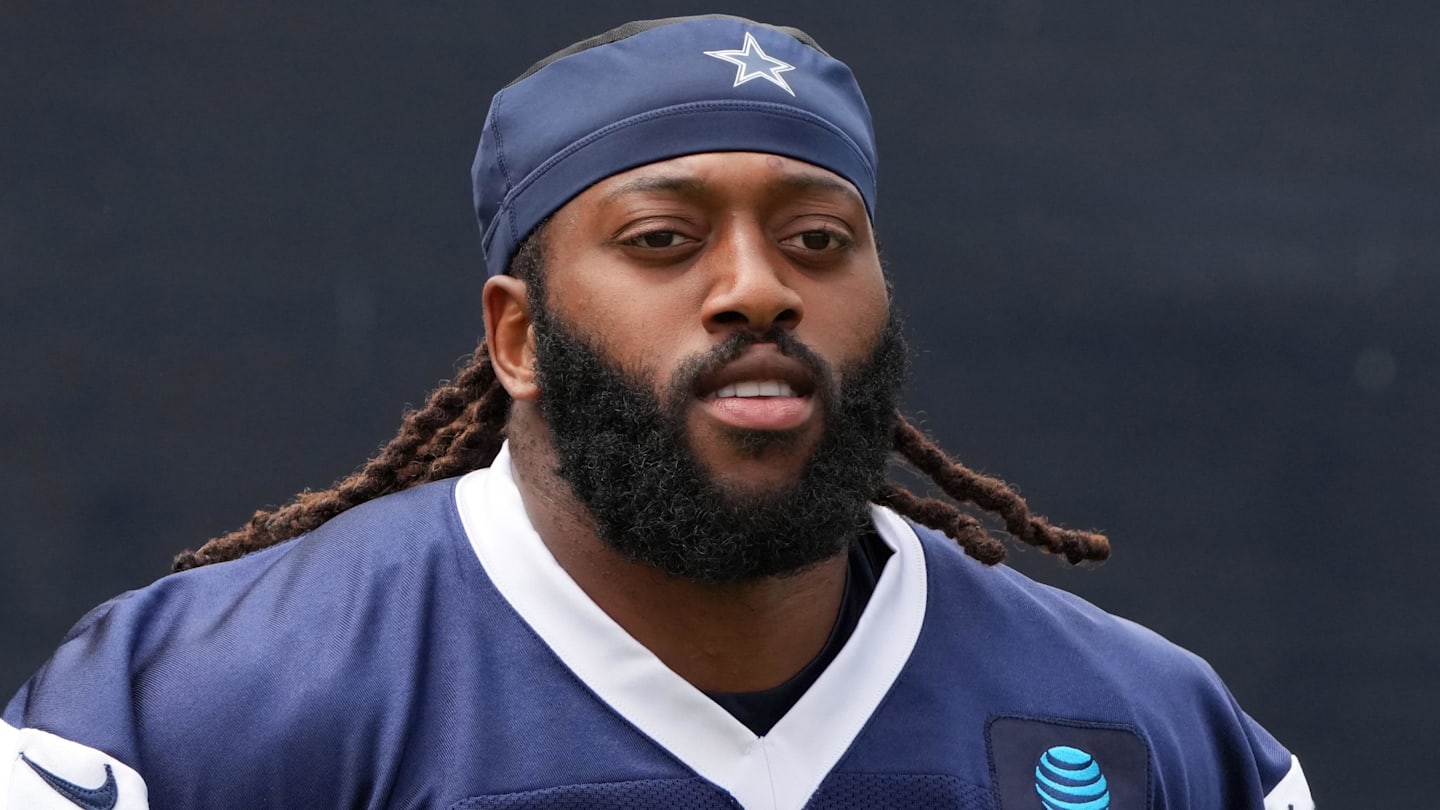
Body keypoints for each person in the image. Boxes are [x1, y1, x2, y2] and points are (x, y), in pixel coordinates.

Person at [2, 14, 1312, 809]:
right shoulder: (190, 717)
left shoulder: (1153, 732)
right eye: (663, 239)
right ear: (519, 337)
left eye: (816, 240)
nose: (758, 289)